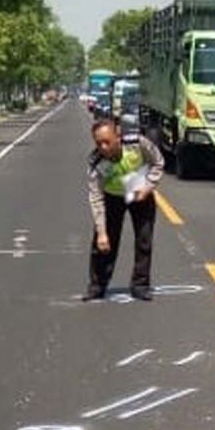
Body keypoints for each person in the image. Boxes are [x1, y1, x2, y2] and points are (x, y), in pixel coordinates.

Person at [85, 118, 164, 302]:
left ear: (118, 137)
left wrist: (148, 187)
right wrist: (102, 232)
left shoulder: (137, 143)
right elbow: (96, 198)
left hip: (139, 192)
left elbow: (157, 162)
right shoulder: (97, 163)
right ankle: (97, 285)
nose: (103, 147)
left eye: (107, 141)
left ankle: (140, 285)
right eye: (99, 143)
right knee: (103, 244)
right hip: (113, 197)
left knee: (144, 239)